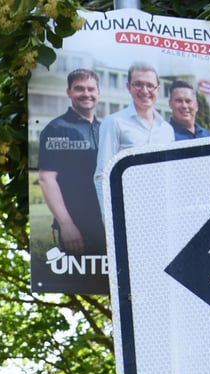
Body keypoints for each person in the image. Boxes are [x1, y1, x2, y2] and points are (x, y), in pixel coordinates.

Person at [37, 69, 105, 255]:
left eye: (91, 89)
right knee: (81, 284)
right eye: (79, 89)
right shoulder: (56, 129)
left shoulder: (105, 129)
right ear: (69, 92)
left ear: (98, 92)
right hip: (77, 230)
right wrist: (66, 225)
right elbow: (46, 179)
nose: (86, 94)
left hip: (107, 225)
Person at [93, 62, 174, 211]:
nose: (144, 90)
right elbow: (102, 175)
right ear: (128, 87)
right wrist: (110, 221)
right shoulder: (114, 122)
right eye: (138, 84)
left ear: (158, 89)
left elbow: (171, 175)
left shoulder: (167, 129)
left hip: (163, 209)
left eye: (150, 85)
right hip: (128, 209)